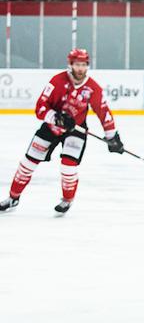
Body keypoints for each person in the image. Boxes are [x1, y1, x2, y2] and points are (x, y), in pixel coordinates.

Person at [0, 48, 124, 215]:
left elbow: (104, 112)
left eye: (83, 65)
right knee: (28, 163)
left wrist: (112, 136)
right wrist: (55, 117)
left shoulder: (92, 88)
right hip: (51, 127)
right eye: (77, 64)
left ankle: (67, 200)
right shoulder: (57, 81)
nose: (80, 68)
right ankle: (13, 197)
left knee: (68, 166)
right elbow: (40, 108)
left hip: (76, 129)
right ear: (70, 64)